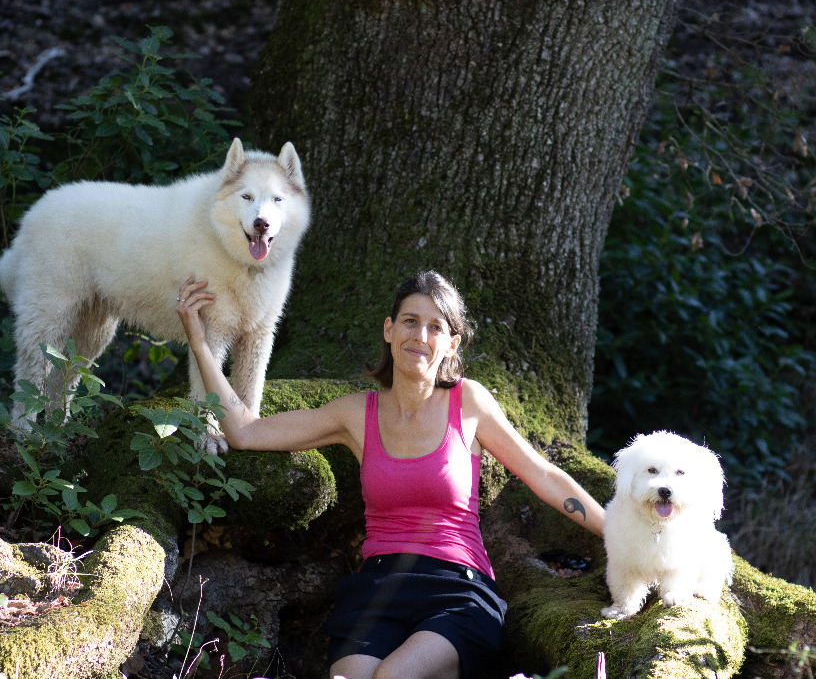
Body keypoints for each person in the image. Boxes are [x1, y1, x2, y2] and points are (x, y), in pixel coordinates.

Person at [176, 270, 605, 679]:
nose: (420, 336)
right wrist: (200, 342)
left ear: (452, 344)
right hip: (379, 589)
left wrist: (617, 533)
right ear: (389, 329)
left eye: (435, 327)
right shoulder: (355, 414)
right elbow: (246, 432)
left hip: (457, 589)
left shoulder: (469, 403)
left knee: (393, 676)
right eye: (410, 321)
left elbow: (543, 476)